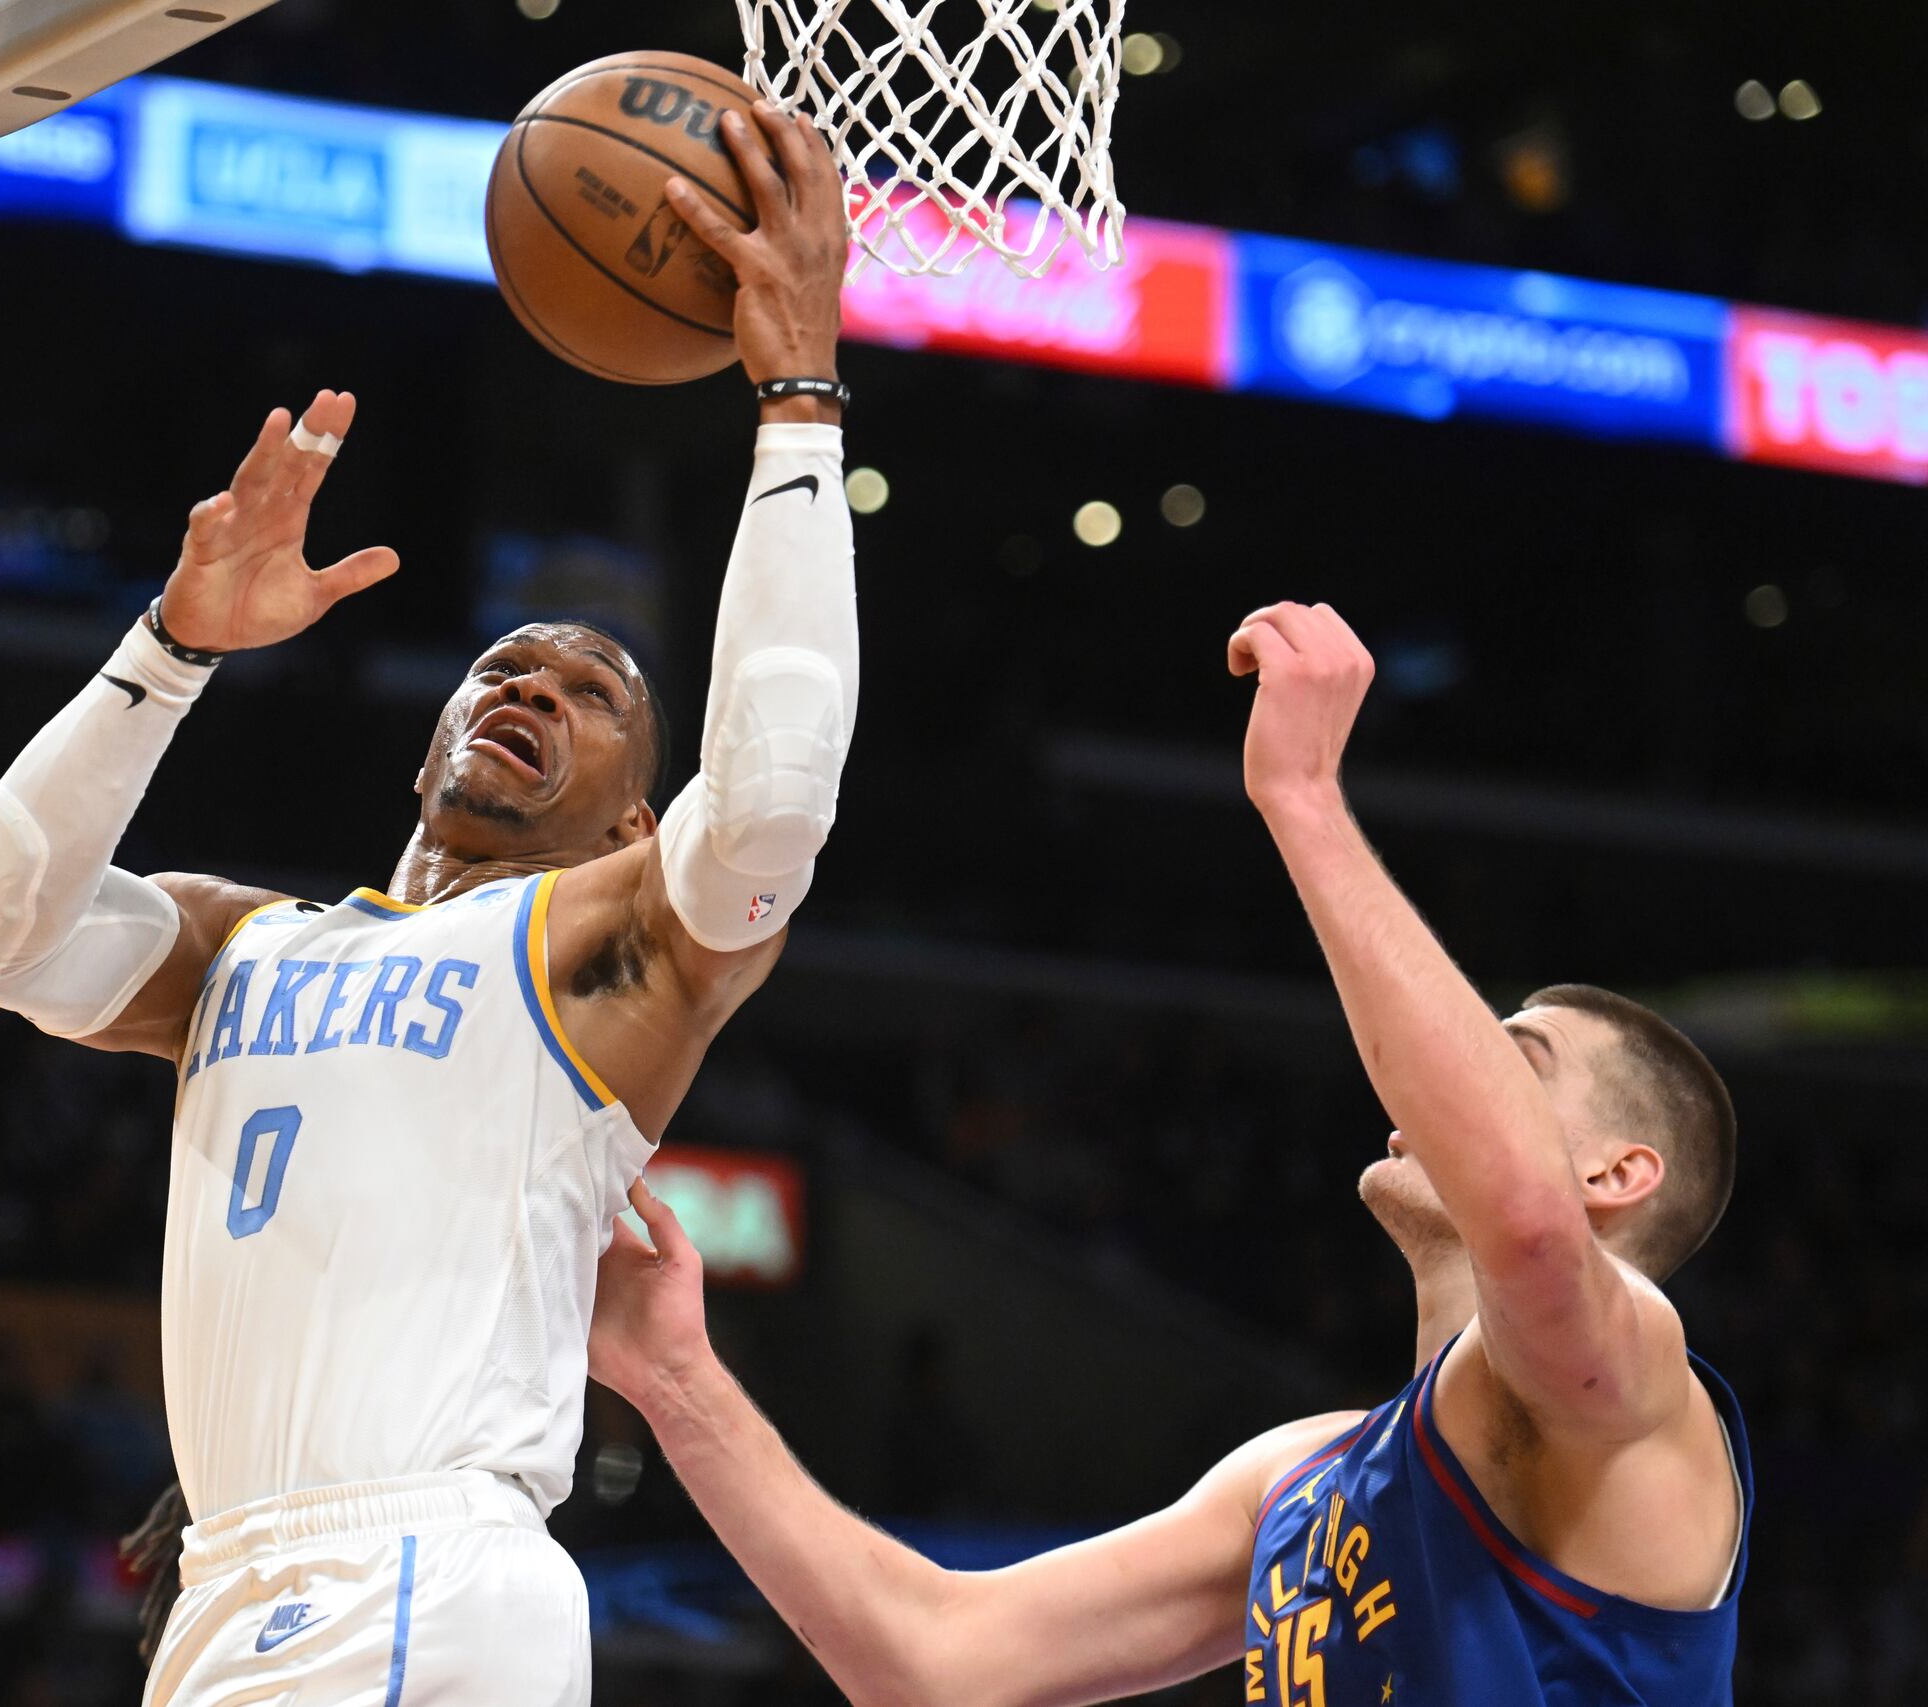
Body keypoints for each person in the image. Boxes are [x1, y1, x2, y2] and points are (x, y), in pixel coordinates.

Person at [0, 101, 857, 1707]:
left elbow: (771, 803)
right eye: (507, 667)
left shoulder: (604, 945)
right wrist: (171, 648)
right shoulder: (241, 943)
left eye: (589, 690)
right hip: (233, 1578)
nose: (532, 687)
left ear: (635, 814)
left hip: (426, 1563)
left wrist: (797, 400)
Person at [588, 602, 1749, 1704]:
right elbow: (935, 1665)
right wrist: (673, 1376)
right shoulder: (1298, 1477)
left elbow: (1533, 1232)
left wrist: (1300, 797)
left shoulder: (1637, 1377)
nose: (1442, 1080)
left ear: (1616, 1175)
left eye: (1512, 1064)